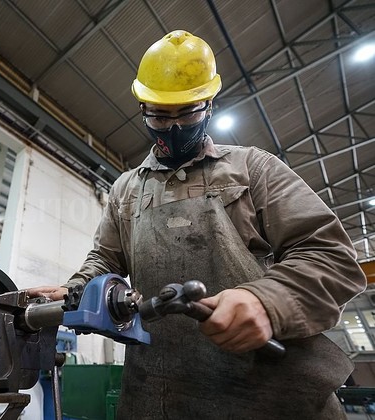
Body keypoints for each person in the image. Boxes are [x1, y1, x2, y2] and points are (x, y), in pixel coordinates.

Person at [28, 30, 367, 419]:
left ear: (209, 106)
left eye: (187, 112)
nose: (173, 127)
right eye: (159, 115)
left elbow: (330, 255)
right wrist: (75, 291)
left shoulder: (253, 168)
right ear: (142, 108)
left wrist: (267, 301)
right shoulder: (126, 189)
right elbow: (104, 260)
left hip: (268, 393)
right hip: (156, 394)